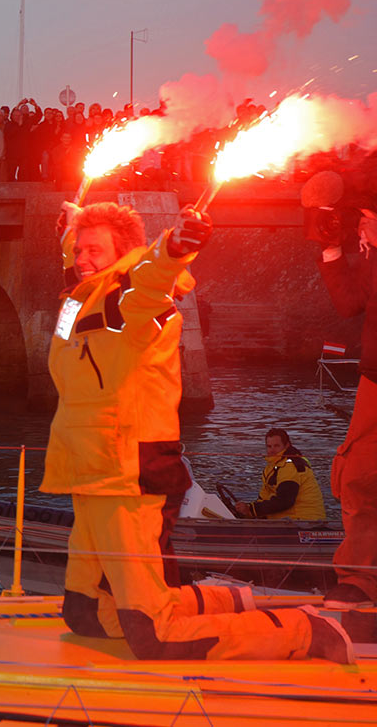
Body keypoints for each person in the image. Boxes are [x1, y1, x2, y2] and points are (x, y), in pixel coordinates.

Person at [44, 200, 352, 662]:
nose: (82, 257)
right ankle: (225, 600)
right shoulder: (83, 295)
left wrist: (174, 248)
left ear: (125, 254)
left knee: (155, 636)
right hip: (89, 471)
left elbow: (149, 275)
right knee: (84, 611)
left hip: (127, 471)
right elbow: (81, 260)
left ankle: (304, 632)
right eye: (79, 249)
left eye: (94, 250)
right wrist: (71, 232)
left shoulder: (126, 299)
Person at [311, 194, 377, 609]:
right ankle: (357, 581)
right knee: (356, 475)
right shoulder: (371, 252)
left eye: (370, 220)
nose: (363, 229)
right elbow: (351, 304)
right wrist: (332, 248)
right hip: (374, 377)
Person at [233, 429, 326, 520]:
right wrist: (248, 510)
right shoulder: (272, 468)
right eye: (269, 446)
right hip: (288, 521)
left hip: (305, 522)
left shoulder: (290, 466)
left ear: (286, 445)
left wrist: (252, 510)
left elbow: (284, 501)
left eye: (276, 446)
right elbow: (264, 498)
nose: (272, 450)